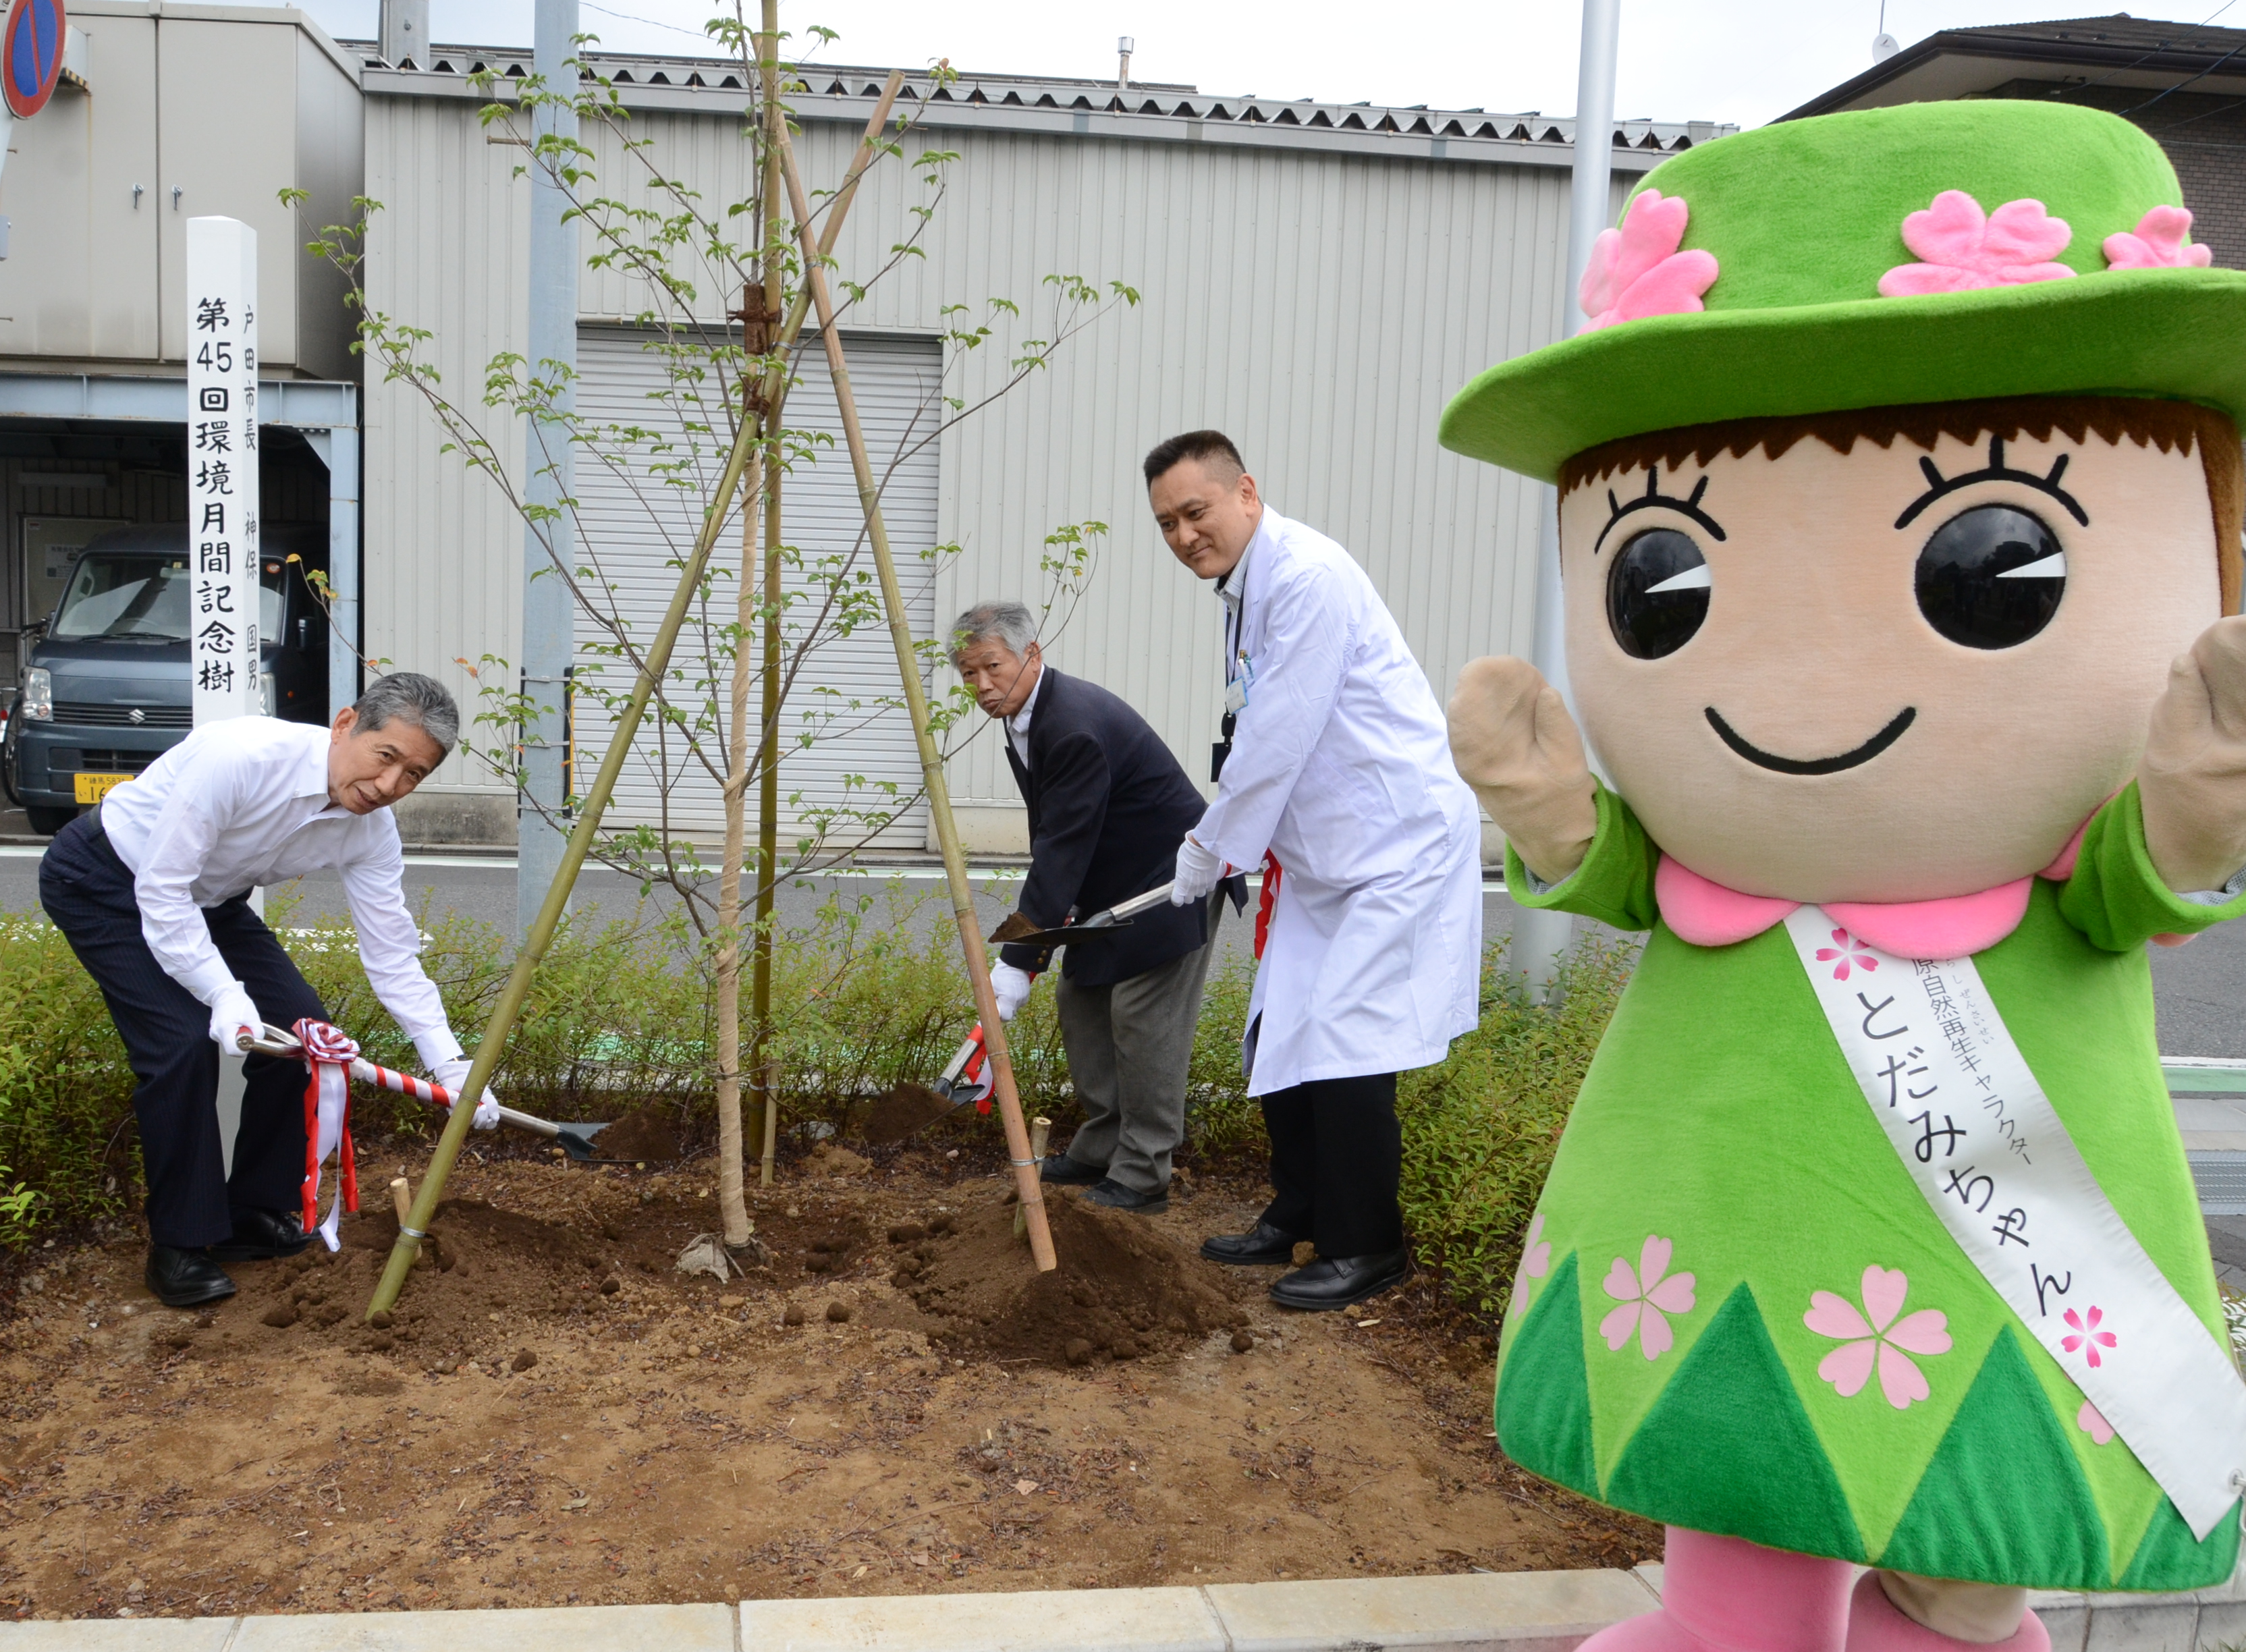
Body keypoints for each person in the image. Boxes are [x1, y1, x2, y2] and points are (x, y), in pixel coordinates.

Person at [1435, 101, 2246, 1652]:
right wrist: (1556, 817)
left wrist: (2195, 805)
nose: (1801, 688)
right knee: (1740, 1494)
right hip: (1718, 1250)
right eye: (1660, 582)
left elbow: (2138, 876)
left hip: (2009, 1265)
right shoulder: (1708, 862)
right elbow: (1626, 869)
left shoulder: (2061, 863)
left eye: (1990, 560)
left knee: (1961, 1547)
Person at [39, 672, 501, 1311]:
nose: (389, 787)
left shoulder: (370, 829)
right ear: (346, 725)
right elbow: (161, 891)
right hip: (108, 881)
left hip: (212, 901)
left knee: (305, 1035)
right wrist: (223, 994)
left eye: (414, 775)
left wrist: (450, 1063)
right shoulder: (240, 759)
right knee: (180, 1046)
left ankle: (250, 1214)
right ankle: (178, 1245)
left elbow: (392, 956)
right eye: (386, 757)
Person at [1151, 430, 1481, 1312]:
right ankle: (1298, 1208)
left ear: (1246, 493)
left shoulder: (1305, 578)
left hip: (1394, 845)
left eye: (1196, 512)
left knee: (1345, 1036)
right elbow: (1260, 729)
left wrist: (1207, 850)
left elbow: (1275, 739)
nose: (1184, 535)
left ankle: (1366, 1245)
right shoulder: (1244, 589)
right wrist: (1226, 842)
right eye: (1167, 524)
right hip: (1330, 856)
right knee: (1283, 1021)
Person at [952, 601, 1227, 1214]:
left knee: (1141, 1016)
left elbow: (1060, 847)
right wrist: (1057, 920)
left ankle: (1143, 1172)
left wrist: (1019, 959)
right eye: (968, 674)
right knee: (1082, 1000)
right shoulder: (1024, 714)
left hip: (1170, 879)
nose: (982, 685)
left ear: (1032, 654)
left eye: (992, 666)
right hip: (1111, 885)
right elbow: (1063, 829)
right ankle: (1102, 1146)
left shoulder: (1071, 722)